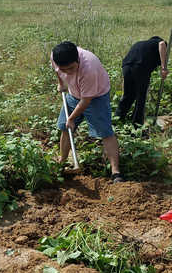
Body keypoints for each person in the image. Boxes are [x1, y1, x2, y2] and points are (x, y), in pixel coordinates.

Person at [51, 41, 125, 183]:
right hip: (73, 94)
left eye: (71, 68)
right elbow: (55, 68)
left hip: (96, 96)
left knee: (105, 132)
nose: (68, 72)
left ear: (78, 59)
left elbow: (86, 101)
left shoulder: (89, 69)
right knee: (65, 128)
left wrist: (71, 118)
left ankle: (116, 172)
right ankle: (61, 161)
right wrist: (61, 83)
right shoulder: (55, 56)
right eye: (63, 69)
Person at [115, 37, 169, 126]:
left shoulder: (140, 45)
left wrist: (124, 92)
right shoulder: (158, 42)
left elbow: (128, 72)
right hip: (142, 67)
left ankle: (116, 122)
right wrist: (163, 67)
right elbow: (162, 44)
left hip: (126, 66)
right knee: (141, 98)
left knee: (127, 96)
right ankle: (136, 128)